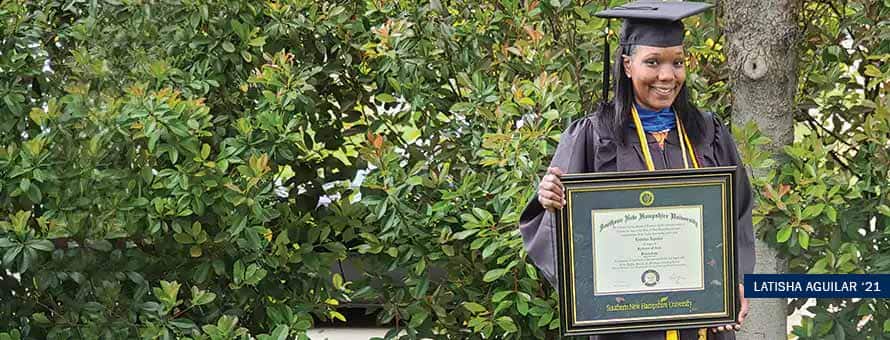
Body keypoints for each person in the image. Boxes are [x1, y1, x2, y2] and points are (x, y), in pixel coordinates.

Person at [518, 2, 756, 340]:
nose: (667, 76)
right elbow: (556, 229)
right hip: (626, 325)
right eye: (653, 62)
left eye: (677, 62)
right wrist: (550, 203)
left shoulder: (706, 132)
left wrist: (738, 282)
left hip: (702, 322)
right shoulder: (593, 135)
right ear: (627, 65)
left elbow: (738, 212)